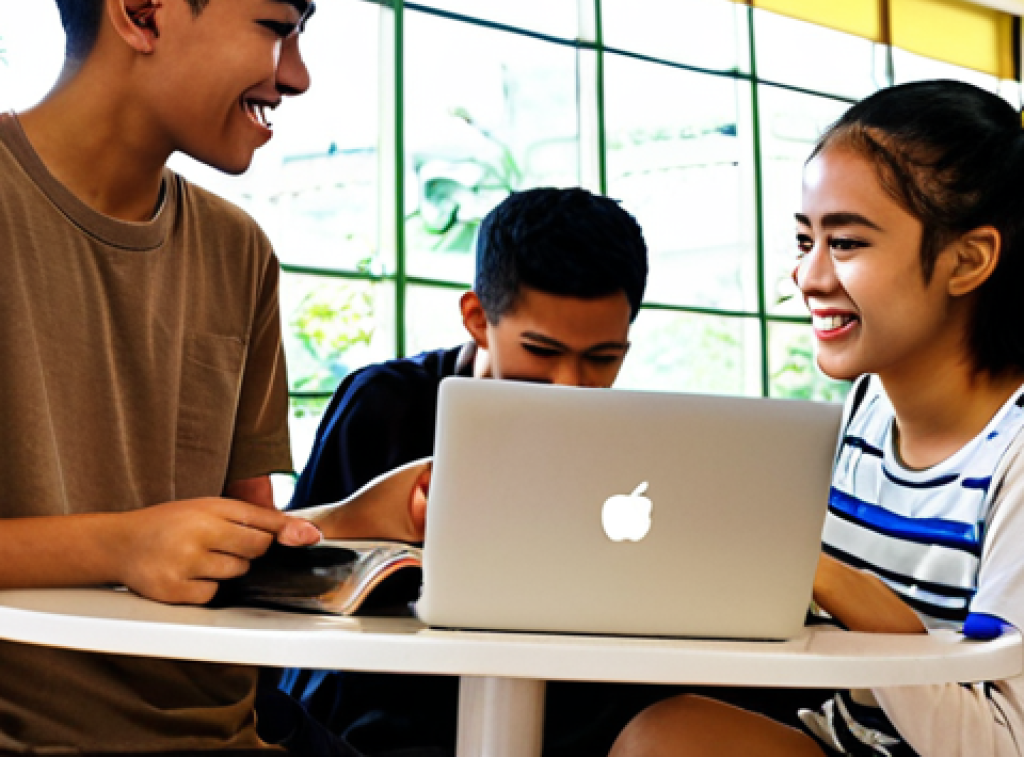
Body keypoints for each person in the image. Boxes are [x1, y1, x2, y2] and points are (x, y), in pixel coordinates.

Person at [0, 0, 428, 755]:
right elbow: (144, 542)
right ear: (144, 7)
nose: (300, 75)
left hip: (236, 734)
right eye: (280, 26)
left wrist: (352, 523)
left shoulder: (238, 251)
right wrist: (120, 544)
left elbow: (208, 544)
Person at [611, 79, 1024, 757]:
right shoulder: (869, 405)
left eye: (848, 244)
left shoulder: (1013, 455)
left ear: (968, 259)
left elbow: (1001, 745)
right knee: (655, 730)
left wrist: (821, 573)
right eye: (806, 241)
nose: (809, 277)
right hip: (842, 740)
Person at [274, 186, 673, 756]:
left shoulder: (636, 437)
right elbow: (294, 576)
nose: (572, 385)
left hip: (554, 691)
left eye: (603, 358)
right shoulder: (384, 405)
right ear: (477, 318)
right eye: (541, 351)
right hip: (381, 696)